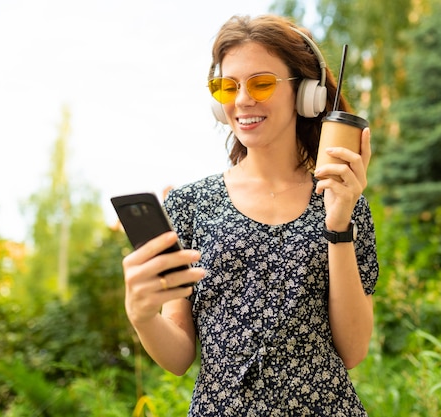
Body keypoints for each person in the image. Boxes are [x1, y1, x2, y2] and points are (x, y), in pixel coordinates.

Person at [121, 13, 379, 416]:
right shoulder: (189, 204)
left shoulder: (343, 200)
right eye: (227, 86)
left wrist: (338, 225)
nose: (242, 100)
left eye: (261, 83)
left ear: (306, 93)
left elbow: (353, 350)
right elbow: (177, 357)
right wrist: (141, 315)